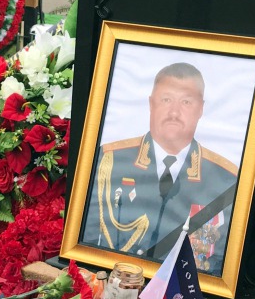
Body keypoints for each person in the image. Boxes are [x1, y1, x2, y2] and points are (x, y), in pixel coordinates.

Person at [82, 62, 238, 275]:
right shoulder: (108, 160)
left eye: (186, 102)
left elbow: (220, 262)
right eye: (166, 100)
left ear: (201, 108)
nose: (174, 112)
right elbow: (86, 242)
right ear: (151, 103)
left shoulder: (225, 180)